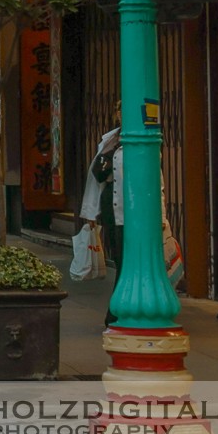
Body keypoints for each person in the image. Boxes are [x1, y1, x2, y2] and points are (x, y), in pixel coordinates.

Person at [80, 123, 122, 326]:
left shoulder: (146, 137)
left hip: (133, 206)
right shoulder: (111, 139)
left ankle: (116, 311)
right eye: (120, 110)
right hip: (112, 205)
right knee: (119, 257)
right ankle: (116, 310)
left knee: (127, 261)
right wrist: (90, 211)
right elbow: (95, 177)